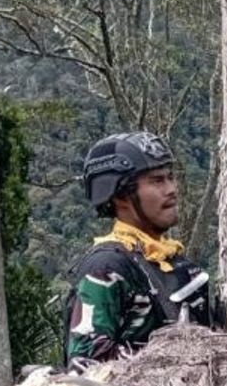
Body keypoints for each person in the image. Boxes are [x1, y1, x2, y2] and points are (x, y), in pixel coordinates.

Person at [63, 131, 212, 371]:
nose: (171, 188)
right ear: (121, 196)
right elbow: (86, 365)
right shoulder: (106, 268)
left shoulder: (180, 266)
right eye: (157, 181)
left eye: (170, 177)